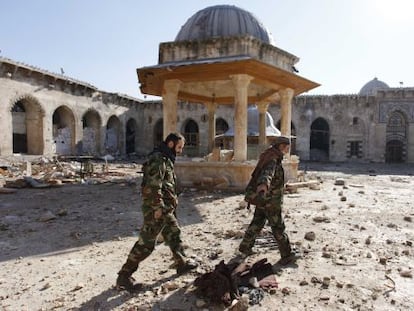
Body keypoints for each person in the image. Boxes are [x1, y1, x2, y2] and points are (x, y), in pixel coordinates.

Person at [116, 132, 198, 292]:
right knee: (146, 244)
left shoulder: (166, 159)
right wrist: (157, 208)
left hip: (166, 208)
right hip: (157, 209)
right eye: (179, 147)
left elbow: (166, 183)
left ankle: (181, 263)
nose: (180, 151)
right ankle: (124, 276)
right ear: (171, 144)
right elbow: (153, 186)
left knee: (174, 233)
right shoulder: (158, 159)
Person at [238, 136, 300, 265]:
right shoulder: (272, 159)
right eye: (287, 147)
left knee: (257, 223)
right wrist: (263, 186)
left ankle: (245, 248)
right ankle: (287, 254)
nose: (288, 149)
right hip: (271, 201)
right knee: (278, 227)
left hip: (263, 200)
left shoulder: (270, 155)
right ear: (282, 146)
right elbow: (267, 174)